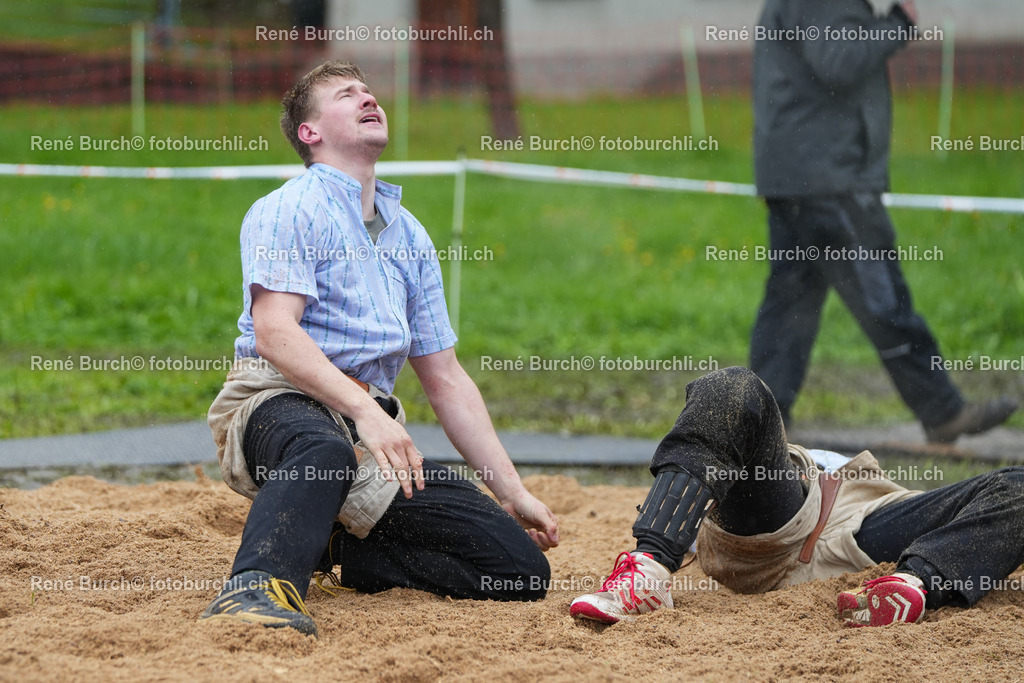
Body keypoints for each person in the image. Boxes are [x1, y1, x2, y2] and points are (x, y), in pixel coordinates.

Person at [201, 60, 559, 638]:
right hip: (277, 401)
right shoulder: (289, 207)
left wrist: (511, 489)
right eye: (347, 95)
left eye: (370, 92)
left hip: (368, 432)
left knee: (517, 572)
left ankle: (338, 551)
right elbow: (275, 333)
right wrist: (367, 412)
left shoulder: (409, 234)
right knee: (324, 448)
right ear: (309, 132)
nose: (369, 99)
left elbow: (444, 377)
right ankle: (255, 588)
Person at [747, 0, 1017, 442]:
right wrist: (898, 24)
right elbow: (838, 60)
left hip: (800, 177)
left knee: (789, 305)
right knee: (882, 299)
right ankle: (942, 411)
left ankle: (761, 426)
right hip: (830, 179)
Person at [570, 367, 1024, 627]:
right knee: (734, 389)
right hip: (781, 530)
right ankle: (647, 572)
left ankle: (913, 588)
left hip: (877, 529)